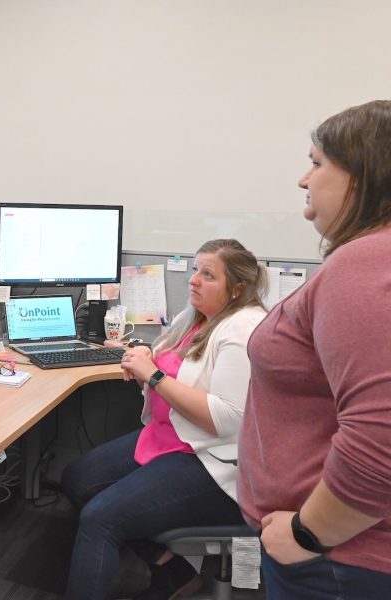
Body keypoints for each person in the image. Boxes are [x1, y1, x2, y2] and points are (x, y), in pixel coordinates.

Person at [238, 101, 391, 599]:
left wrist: (308, 534)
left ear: (361, 177)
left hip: (338, 558)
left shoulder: (364, 264)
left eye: (317, 163)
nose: (304, 180)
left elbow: (382, 434)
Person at [61, 239, 267, 600]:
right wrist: (145, 354)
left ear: (237, 288)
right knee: (78, 479)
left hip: (212, 459)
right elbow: (175, 362)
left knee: (100, 519)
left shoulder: (243, 328)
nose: (193, 280)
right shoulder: (200, 317)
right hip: (171, 436)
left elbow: (227, 419)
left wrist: (153, 376)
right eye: (195, 270)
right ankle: (173, 571)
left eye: (208, 275)